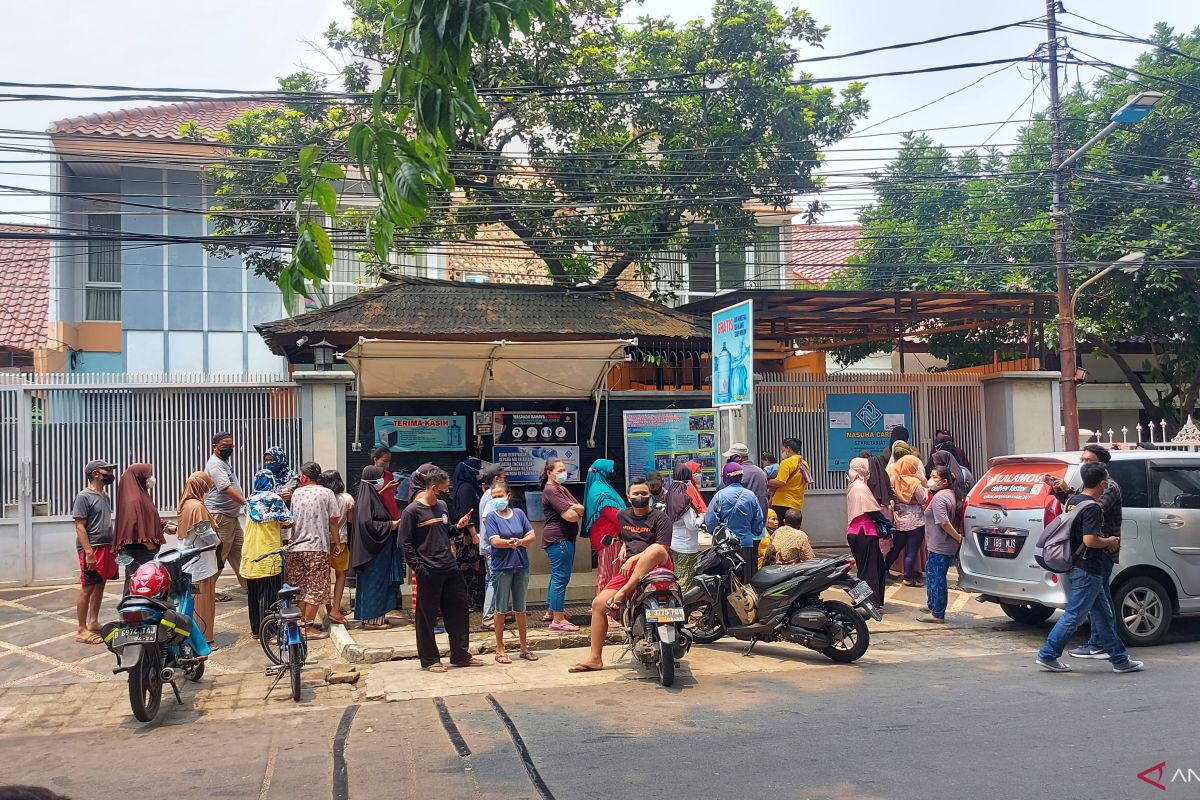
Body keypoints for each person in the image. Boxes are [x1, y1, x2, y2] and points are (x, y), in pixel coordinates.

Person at [1036, 462, 1143, 674]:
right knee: (1074, 615)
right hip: (1088, 568)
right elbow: (1090, 539)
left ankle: (1120, 660)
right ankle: (1048, 654)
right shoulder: (1092, 507)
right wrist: (1110, 541)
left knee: (1103, 615)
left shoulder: (1073, 501)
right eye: (1107, 481)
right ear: (1103, 483)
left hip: (1078, 566)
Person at [569, 478, 673, 673]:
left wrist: (633, 559)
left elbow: (663, 549)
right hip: (630, 572)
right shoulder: (623, 515)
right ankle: (595, 658)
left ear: (649, 495)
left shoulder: (661, 518)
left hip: (658, 568)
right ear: (628, 497)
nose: (640, 497)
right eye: (636, 494)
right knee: (598, 605)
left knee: (655, 549)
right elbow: (624, 535)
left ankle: (624, 593)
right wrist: (624, 546)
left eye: (644, 493)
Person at [399, 467, 483, 671]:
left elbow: (446, 532)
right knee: (427, 616)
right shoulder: (412, 511)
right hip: (428, 569)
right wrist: (419, 568)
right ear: (434, 488)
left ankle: (461, 655)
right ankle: (430, 660)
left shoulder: (443, 506)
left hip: (450, 566)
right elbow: (405, 544)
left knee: (459, 611)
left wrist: (459, 526)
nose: (447, 493)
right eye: (444, 489)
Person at [1048, 444, 1125, 660]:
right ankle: (1111, 651)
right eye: (1082, 460)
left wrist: (1108, 540)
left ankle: (1100, 646)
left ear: (1101, 464)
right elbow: (1079, 509)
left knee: (1093, 605)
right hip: (1085, 553)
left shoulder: (1108, 487)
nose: (1083, 464)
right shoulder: (1087, 487)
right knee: (1098, 604)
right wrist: (1064, 492)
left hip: (1100, 551)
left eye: (1088, 461)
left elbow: (1091, 510)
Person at [286, 461, 341, 639]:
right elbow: (333, 521)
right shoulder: (327, 493)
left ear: (304, 477)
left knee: (300, 588)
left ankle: (303, 623)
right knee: (316, 588)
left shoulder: (296, 494)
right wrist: (338, 543)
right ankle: (307, 627)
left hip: (295, 547)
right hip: (316, 547)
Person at [484, 483, 538, 663]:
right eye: (494, 497)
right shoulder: (491, 517)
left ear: (508, 496)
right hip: (501, 567)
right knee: (500, 609)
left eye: (500, 495)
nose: (498, 499)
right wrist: (511, 543)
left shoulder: (520, 514)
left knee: (520, 608)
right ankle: (500, 649)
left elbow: (531, 535)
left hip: (521, 565)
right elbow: (494, 541)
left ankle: (524, 647)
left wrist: (520, 541)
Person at [350, 466, 404, 630]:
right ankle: (372, 620)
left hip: (378, 549)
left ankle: (376, 617)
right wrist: (390, 525)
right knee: (375, 584)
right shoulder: (367, 499)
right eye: (380, 478)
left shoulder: (370, 496)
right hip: (374, 552)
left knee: (379, 584)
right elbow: (368, 523)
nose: (383, 481)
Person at [72, 460, 117, 644]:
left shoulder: (104, 496)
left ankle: (93, 622)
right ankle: (81, 629)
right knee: (88, 586)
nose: (109, 472)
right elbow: (80, 526)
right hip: (92, 548)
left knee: (100, 584)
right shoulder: (84, 496)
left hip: (106, 546)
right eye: (106, 469)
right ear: (96, 473)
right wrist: (89, 552)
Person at [242, 470, 291, 638]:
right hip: (268, 552)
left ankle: (256, 630)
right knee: (269, 594)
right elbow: (288, 521)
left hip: (250, 552)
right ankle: (269, 632)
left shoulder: (249, 500)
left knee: (253, 593)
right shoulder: (275, 499)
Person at [916, 466, 965, 624]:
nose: (931, 480)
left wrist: (958, 538)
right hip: (942, 545)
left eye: (934, 477)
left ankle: (937, 613)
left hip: (940, 545)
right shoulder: (951, 494)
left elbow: (943, 522)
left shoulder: (940, 498)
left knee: (936, 578)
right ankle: (933, 606)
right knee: (933, 576)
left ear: (944, 481)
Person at [177, 471, 219, 646]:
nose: (208, 489)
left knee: (190, 603)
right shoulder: (197, 507)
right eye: (207, 486)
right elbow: (207, 535)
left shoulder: (185, 504)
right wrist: (218, 540)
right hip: (201, 563)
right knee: (202, 603)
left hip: (188, 561)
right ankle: (204, 640)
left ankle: (190, 638)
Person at [704, 462, 765, 583]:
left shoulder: (719, 496)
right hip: (746, 545)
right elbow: (758, 524)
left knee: (727, 582)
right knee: (745, 582)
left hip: (724, 547)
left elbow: (710, 522)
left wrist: (718, 534)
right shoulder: (751, 496)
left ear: (726, 477)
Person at [541, 458, 584, 633]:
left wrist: (576, 508)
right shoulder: (551, 490)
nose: (563, 472)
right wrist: (575, 509)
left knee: (557, 576)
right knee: (561, 578)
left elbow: (581, 509)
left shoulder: (562, 489)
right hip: (559, 539)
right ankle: (558, 618)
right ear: (549, 472)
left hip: (565, 538)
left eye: (564, 469)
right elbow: (571, 516)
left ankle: (551, 610)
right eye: (559, 470)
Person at [205, 432, 247, 598]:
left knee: (241, 552)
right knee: (220, 554)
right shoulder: (216, 464)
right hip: (220, 516)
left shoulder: (223, 462)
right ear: (215, 447)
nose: (229, 449)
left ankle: (249, 585)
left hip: (231, 516)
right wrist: (246, 502)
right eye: (225, 446)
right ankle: (208, 592)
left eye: (231, 446)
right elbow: (226, 488)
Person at [112, 463, 165, 589]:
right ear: (139, 477)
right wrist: (147, 542)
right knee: (138, 582)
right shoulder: (134, 500)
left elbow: (145, 518)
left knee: (137, 582)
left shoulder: (141, 494)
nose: (151, 478)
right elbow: (132, 525)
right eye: (149, 475)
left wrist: (162, 524)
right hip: (139, 550)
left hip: (143, 550)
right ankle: (133, 608)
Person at [845, 457, 888, 609]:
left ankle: (865, 599)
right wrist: (886, 524)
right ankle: (871, 602)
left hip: (857, 532)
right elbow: (871, 510)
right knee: (870, 570)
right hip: (864, 532)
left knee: (873, 568)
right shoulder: (860, 487)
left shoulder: (854, 485)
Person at [885, 454, 928, 586]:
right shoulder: (915, 482)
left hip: (899, 519)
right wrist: (926, 491)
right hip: (915, 520)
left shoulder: (893, 479)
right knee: (912, 550)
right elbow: (923, 500)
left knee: (896, 547)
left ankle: (884, 568)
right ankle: (908, 578)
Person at [584, 459, 625, 593]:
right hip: (608, 539)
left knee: (611, 574)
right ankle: (601, 609)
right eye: (610, 470)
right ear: (602, 472)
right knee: (608, 576)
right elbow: (613, 515)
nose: (612, 472)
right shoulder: (601, 491)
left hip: (607, 537)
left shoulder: (600, 487)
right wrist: (634, 518)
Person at [450, 458, 485, 609]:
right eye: (477, 470)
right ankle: (467, 602)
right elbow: (466, 514)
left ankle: (475, 601)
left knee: (476, 570)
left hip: (470, 536)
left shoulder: (468, 487)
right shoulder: (465, 489)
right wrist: (474, 535)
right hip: (467, 537)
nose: (480, 473)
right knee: (469, 570)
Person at [322, 469, 354, 624]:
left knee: (325, 575)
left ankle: (328, 607)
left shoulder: (323, 497)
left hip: (322, 541)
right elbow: (351, 520)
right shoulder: (347, 498)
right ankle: (336, 607)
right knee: (341, 575)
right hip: (340, 540)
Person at [666, 463, 703, 591]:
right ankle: (682, 608)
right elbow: (691, 525)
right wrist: (701, 518)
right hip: (686, 546)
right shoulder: (683, 499)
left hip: (675, 543)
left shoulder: (671, 493)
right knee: (685, 582)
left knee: (678, 576)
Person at [478, 464, 506, 631]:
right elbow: (488, 520)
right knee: (494, 582)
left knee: (491, 580)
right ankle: (489, 617)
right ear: (496, 479)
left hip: (488, 544)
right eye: (503, 478)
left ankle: (496, 612)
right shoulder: (492, 496)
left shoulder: (487, 495)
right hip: (492, 546)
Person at [768, 437, 812, 524]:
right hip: (796, 503)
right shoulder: (803, 463)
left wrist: (767, 480)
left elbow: (780, 482)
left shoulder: (786, 462)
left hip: (782, 502)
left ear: (788, 448)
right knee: (794, 528)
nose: (782, 452)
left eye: (782, 449)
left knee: (781, 530)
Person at [724, 443, 769, 514]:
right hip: (760, 517)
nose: (729, 460)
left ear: (738, 457)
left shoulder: (736, 473)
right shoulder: (760, 472)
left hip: (742, 518)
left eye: (731, 457)